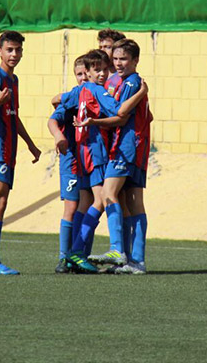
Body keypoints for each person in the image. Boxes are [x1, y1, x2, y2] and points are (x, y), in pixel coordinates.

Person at [62, 50, 147, 273]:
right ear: (88, 72)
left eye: (104, 68)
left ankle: (73, 253)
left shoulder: (80, 90)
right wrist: (141, 93)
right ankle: (82, 251)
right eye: (96, 69)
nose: (102, 73)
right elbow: (120, 111)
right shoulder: (102, 90)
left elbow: (56, 102)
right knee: (103, 199)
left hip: (83, 153)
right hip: (100, 151)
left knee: (91, 201)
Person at [0, 31, 42, 275]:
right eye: (9, 50)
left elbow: (14, 116)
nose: (14, 54)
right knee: (0, 202)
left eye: (18, 50)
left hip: (9, 147)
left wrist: (30, 143)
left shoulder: (14, 80)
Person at [47, 56, 91, 273]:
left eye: (86, 73)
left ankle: (81, 255)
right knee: (72, 207)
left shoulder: (96, 93)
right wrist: (58, 136)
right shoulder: (74, 95)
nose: (83, 78)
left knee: (91, 205)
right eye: (79, 74)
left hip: (92, 159)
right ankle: (65, 258)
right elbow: (53, 118)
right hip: (72, 160)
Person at [97, 29, 126, 97]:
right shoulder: (94, 74)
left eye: (108, 47)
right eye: (100, 47)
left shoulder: (124, 77)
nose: (102, 50)